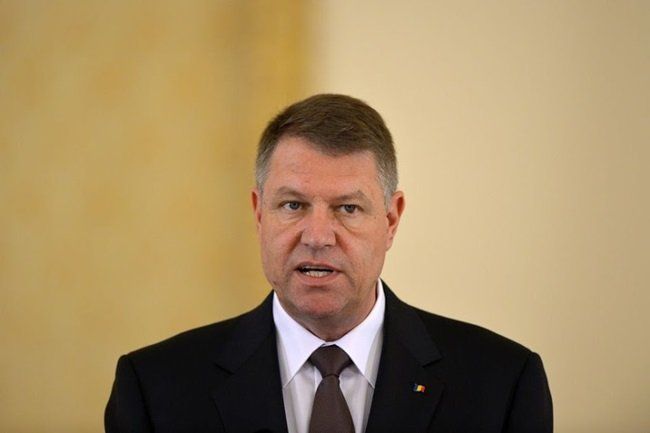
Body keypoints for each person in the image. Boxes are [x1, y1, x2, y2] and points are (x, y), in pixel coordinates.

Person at [105, 94, 553, 433]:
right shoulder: (154, 389)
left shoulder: (502, 383)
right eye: (293, 205)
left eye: (348, 208)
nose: (317, 236)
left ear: (391, 219)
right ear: (259, 214)